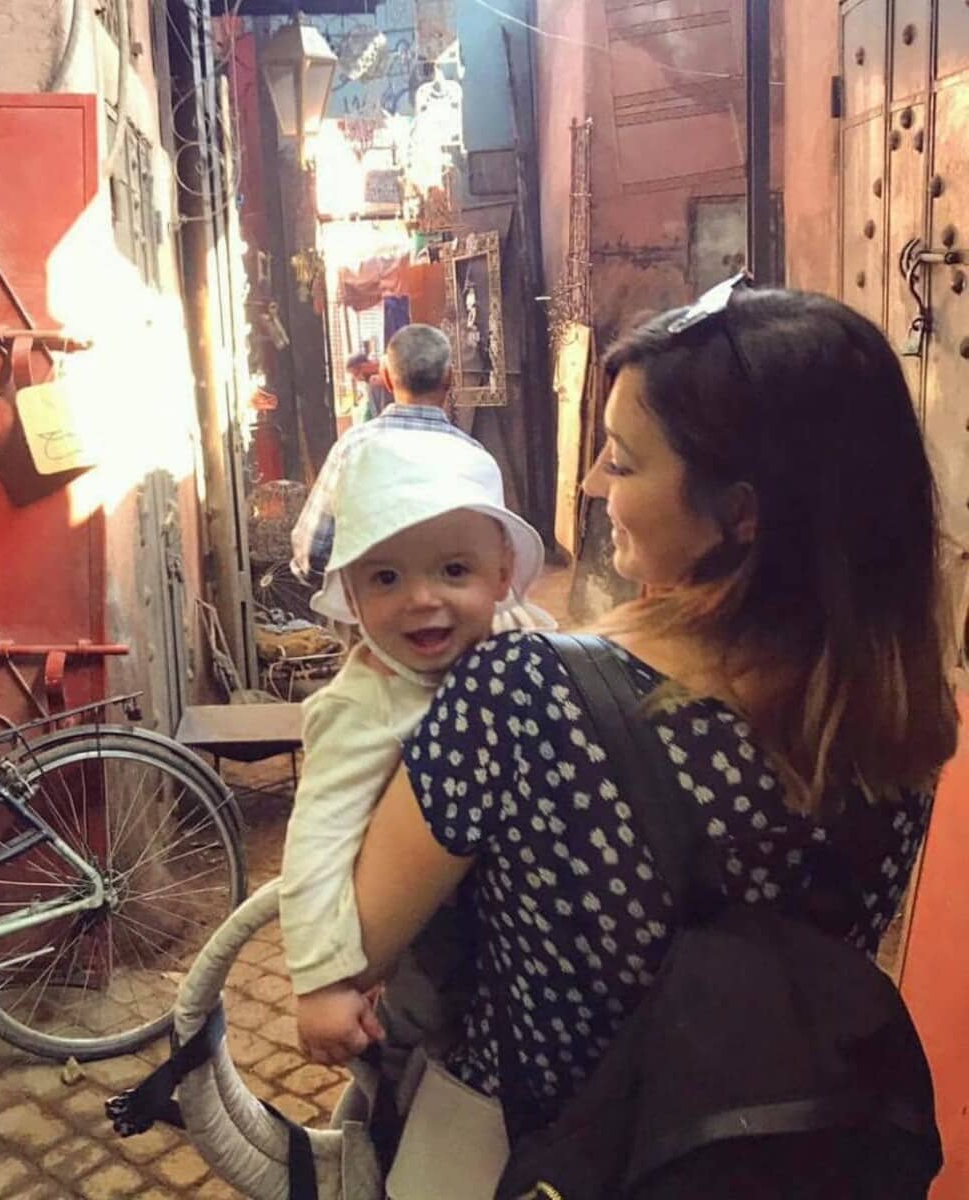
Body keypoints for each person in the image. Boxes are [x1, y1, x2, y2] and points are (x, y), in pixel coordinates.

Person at [300, 281, 959, 1193]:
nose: (592, 485)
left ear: (739, 511)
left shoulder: (521, 695)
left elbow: (359, 942)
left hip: (525, 1154)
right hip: (757, 1155)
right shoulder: (895, 716)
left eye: (623, 460)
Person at [281, 426, 546, 1083]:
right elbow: (317, 841)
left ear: (502, 574)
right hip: (433, 943)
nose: (422, 598)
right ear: (352, 593)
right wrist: (321, 982)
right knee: (420, 1050)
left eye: (454, 570)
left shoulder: (514, 636)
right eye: (386, 577)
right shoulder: (362, 705)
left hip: (523, 923)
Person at [291, 325, 478, 586]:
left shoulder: (352, 449)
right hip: (452, 606)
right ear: (450, 378)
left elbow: (312, 553)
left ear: (387, 378)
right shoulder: (473, 457)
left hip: (368, 604)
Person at [346, 351, 391, 421]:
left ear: (364, 365)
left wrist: (385, 381)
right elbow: (371, 408)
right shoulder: (370, 383)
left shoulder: (387, 365)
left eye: (357, 374)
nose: (358, 379)